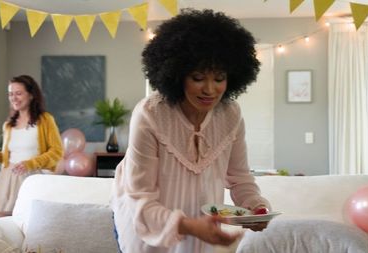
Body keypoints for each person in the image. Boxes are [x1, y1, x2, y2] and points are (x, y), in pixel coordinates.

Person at [111, 9, 271, 253]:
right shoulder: (150, 114)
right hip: (148, 233)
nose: (210, 89)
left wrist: (257, 208)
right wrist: (189, 226)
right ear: (177, 75)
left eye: (219, 78)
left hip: (203, 236)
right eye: (198, 77)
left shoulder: (231, 115)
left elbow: (240, 178)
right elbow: (139, 199)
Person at [0, 75, 63, 218]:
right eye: (10, 94)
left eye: (18, 93)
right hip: (7, 179)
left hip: (32, 178)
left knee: (27, 224)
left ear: (31, 95)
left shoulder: (45, 120)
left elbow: (57, 151)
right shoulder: (8, 125)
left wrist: (31, 163)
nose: (13, 98)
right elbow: (7, 158)